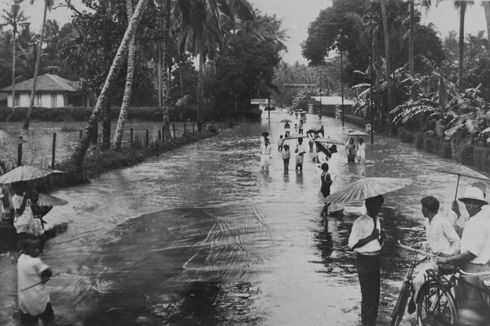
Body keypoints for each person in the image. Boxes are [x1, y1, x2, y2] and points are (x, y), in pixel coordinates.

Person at [437, 187, 490, 324]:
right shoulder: (472, 219)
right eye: (468, 202)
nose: (470, 206)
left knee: (473, 314)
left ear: (481, 204)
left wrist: (447, 259)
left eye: (474, 203)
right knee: (463, 310)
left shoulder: (480, 222)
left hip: (475, 272)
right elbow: (465, 245)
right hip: (467, 270)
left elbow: (471, 254)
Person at [411, 196, 460, 308]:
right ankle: (419, 308)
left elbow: (457, 242)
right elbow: (432, 242)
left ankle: (426, 310)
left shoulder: (443, 222)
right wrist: (421, 245)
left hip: (445, 264)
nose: (421, 210)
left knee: (440, 295)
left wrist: (448, 255)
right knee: (417, 282)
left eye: (422, 207)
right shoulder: (427, 222)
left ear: (427, 209)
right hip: (433, 262)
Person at [348, 195, 384, 326]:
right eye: (375, 205)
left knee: (375, 295)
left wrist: (381, 238)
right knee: (368, 296)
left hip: (375, 259)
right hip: (364, 261)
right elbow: (352, 244)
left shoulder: (378, 220)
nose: (378, 208)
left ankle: (372, 322)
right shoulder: (359, 222)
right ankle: (366, 323)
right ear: (369, 205)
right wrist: (371, 236)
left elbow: (377, 243)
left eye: (379, 205)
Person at [17, 236, 54, 326]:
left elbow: (20, 253)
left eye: (39, 247)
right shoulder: (36, 261)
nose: (37, 250)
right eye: (34, 248)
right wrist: (45, 278)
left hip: (24, 300)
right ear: (26, 249)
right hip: (39, 299)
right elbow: (49, 272)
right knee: (49, 320)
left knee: (27, 322)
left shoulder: (20, 258)